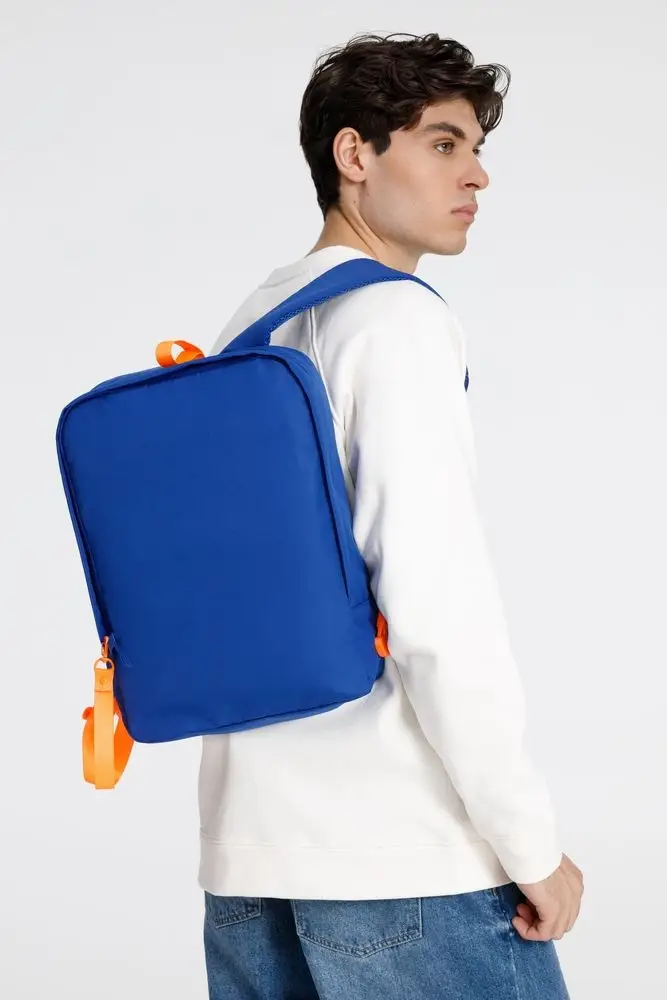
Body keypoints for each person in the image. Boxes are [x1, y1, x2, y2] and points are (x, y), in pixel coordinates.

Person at [200, 31, 583, 1000]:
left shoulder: (254, 322)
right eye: (443, 143)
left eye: (476, 148)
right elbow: (434, 608)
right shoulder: (393, 320)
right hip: (399, 856)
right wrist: (527, 841)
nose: (477, 175)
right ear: (354, 154)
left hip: (248, 858)